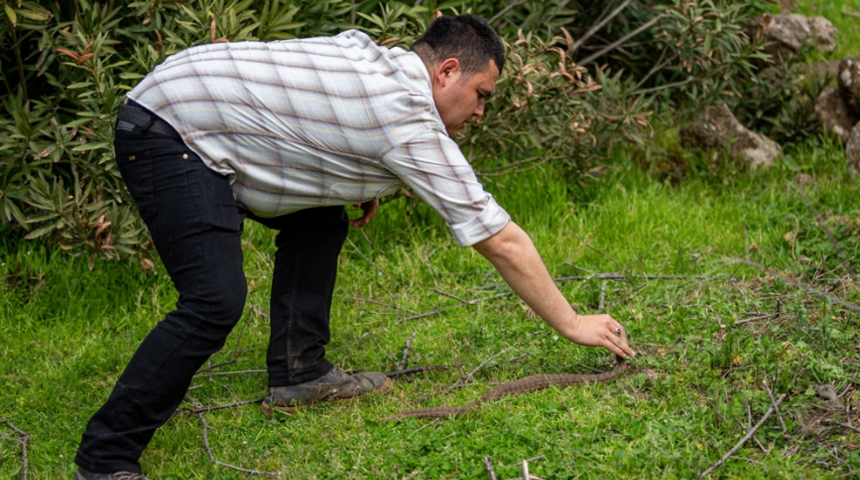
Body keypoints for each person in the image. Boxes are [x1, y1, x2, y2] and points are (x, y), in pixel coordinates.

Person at [74, 14, 634, 480]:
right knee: (213, 301)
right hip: (168, 127)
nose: (481, 111)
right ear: (446, 71)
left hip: (185, 103)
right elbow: (500, 239)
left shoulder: (380, 63)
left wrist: (355, 184)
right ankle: (106, 457)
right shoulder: (405, 114)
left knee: (321, 220)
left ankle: (299, 373)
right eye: (480, 95)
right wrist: (572, 322)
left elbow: (314, 120)